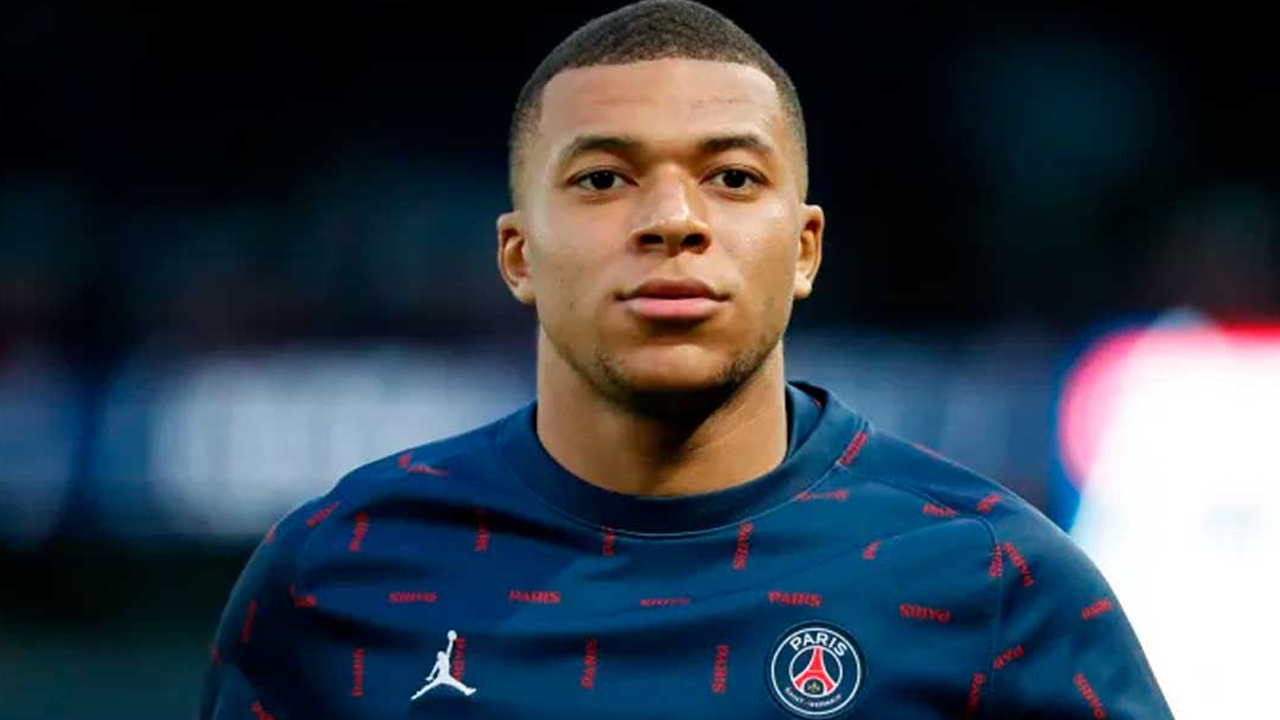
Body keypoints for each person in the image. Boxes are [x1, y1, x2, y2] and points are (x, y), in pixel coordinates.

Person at [199, 2, 1174, 718]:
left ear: (805, 249)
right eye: (603, 178)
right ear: (517, 255)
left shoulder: (995, 583)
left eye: (732, 177)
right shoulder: (335, 571)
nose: (672, 220)